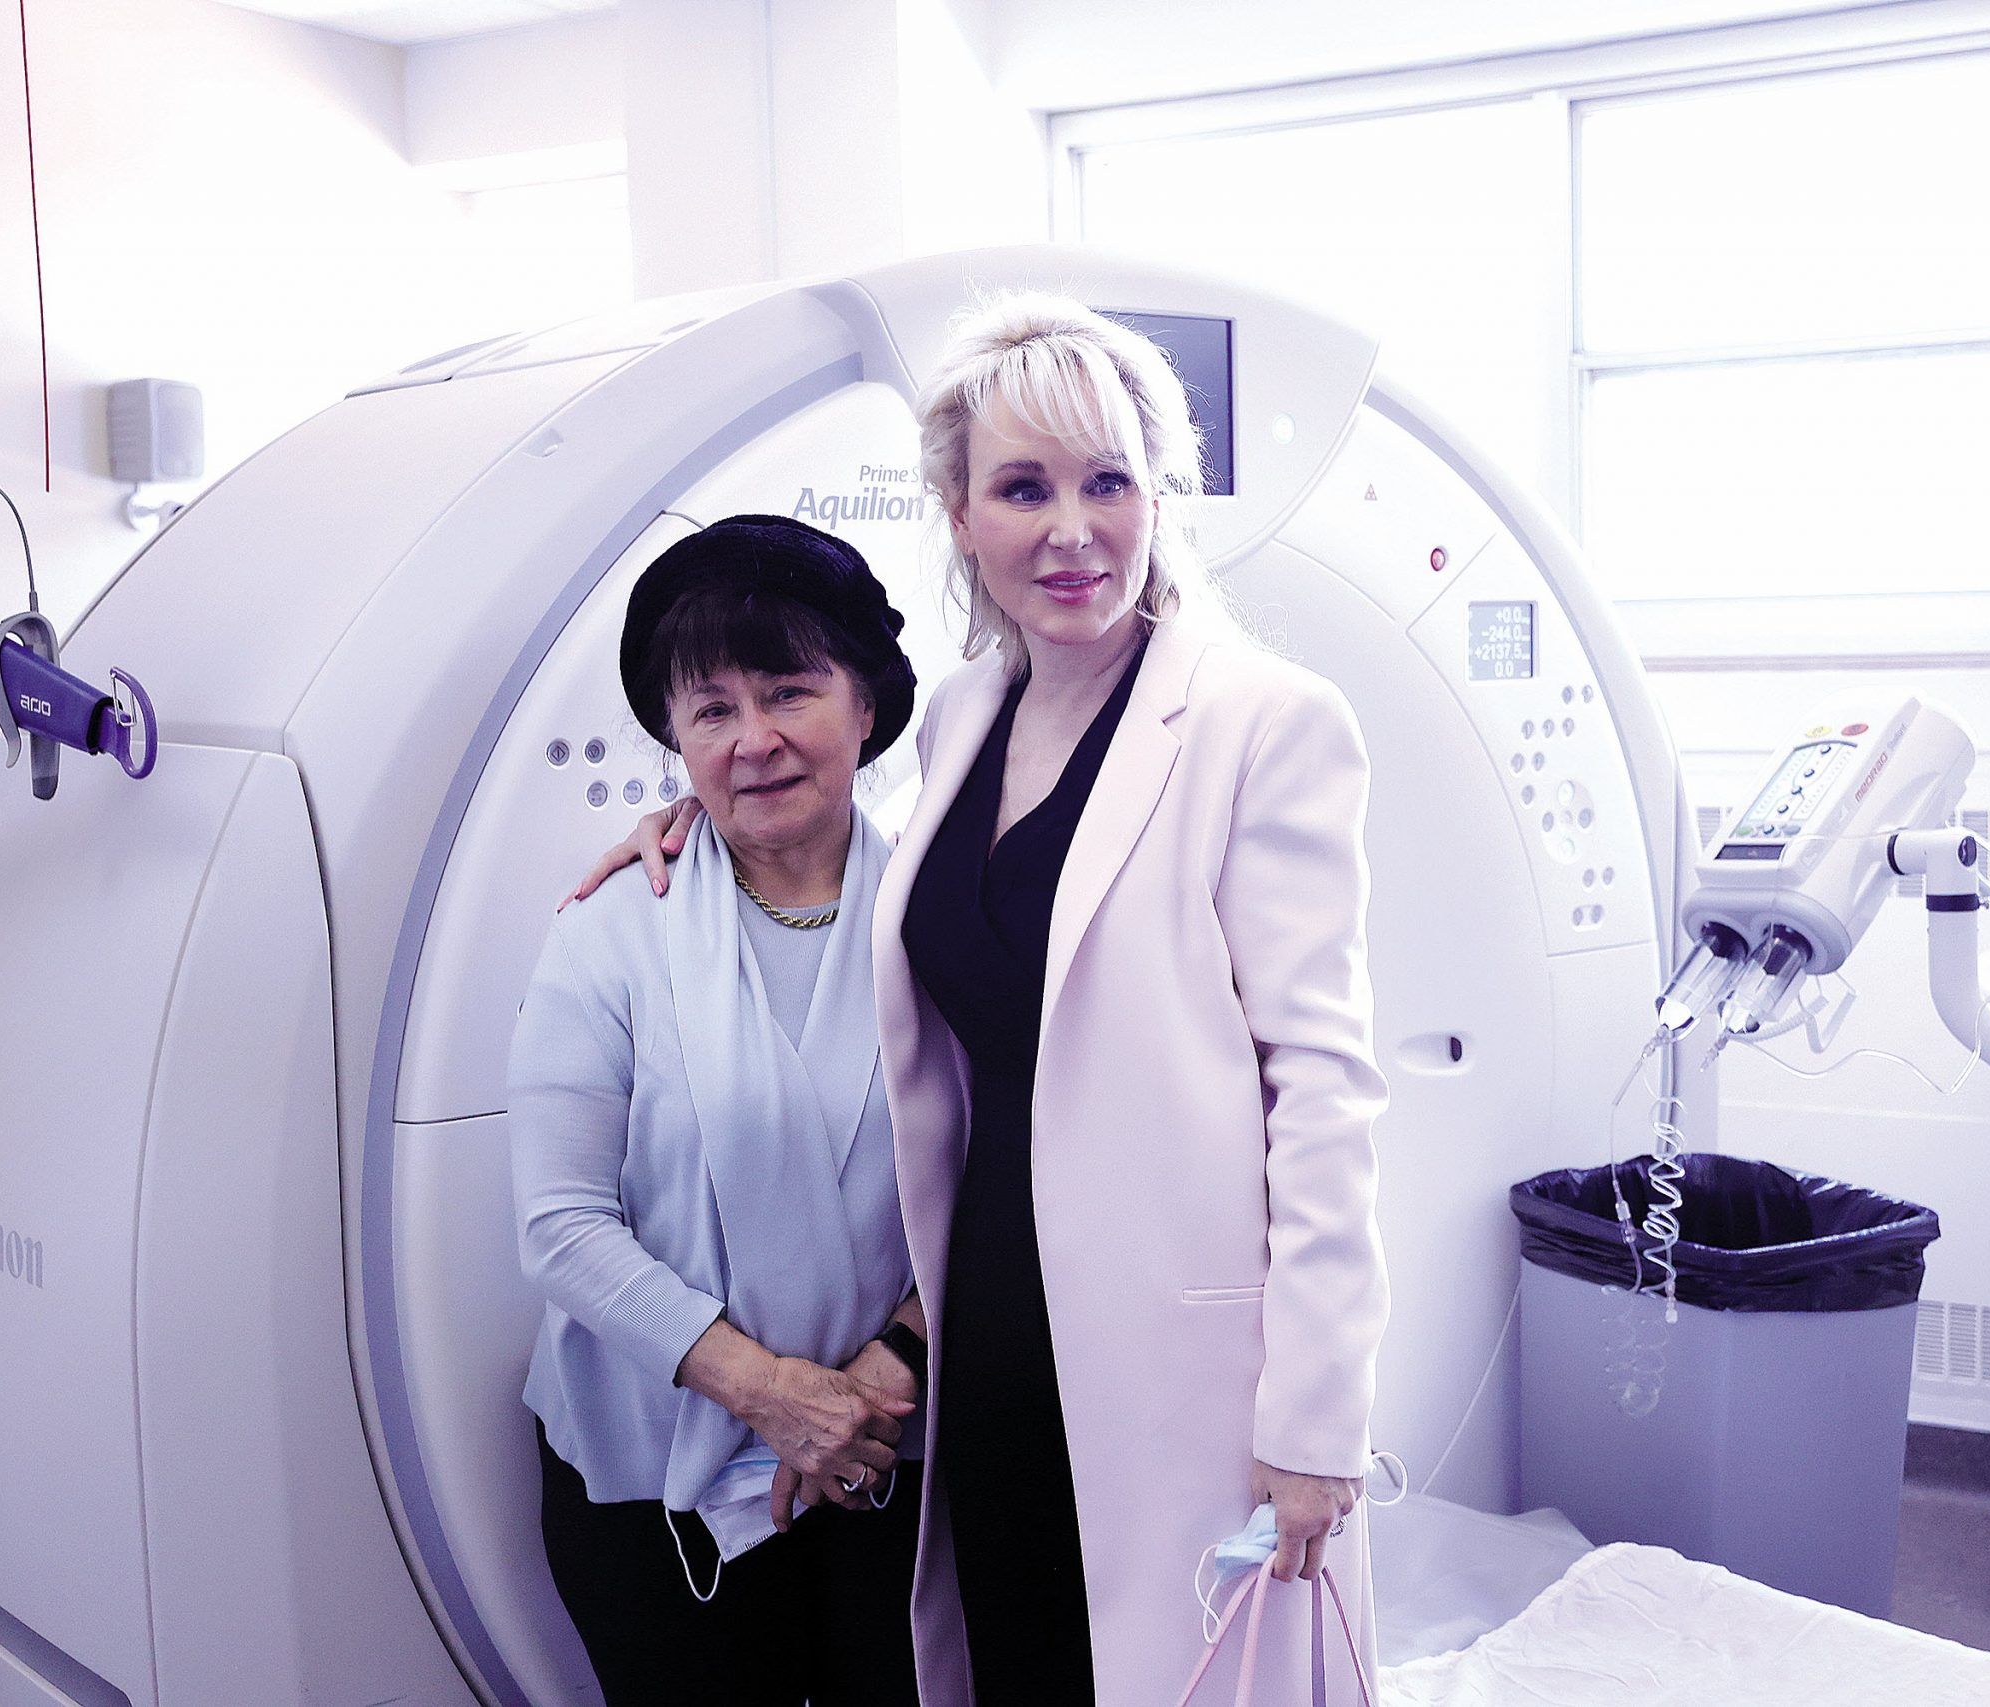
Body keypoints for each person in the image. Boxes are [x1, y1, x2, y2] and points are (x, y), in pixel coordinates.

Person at [583, 296, 1388, 1706]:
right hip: (989, 1303)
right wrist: (685, 814)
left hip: (1179, 1331)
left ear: (1158, 496)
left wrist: (1318, 1413)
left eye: (1107, 481)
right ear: (960, 514)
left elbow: (1323, 1088)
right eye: (1024, 486)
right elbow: (842, 836)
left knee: (1171, 1668)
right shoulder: (962, 716)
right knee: (1021, 1644)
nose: (1070, 529)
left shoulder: (1266, 721)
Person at [511, 514, 933, 1707]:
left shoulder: (948, 924)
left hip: (887, 1455)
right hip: (654, 1485)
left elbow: (1010, 1185)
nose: (754, 741)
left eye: (791, 690)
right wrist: (775, 1395)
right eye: (711, 710)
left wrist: (887, 1370)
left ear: (865, 705)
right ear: (676, 740)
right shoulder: (613, 933)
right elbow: (560, 1227)